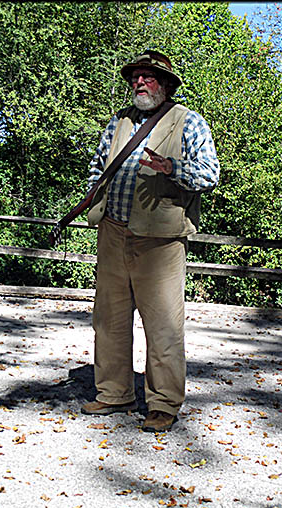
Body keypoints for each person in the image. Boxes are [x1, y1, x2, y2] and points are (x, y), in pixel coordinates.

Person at [80, 50, 220, 432]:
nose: (140, 83)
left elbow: (209, 176)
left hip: (160, 240)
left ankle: (163, 404)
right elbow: (98, 167)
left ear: (166, 85)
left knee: (163, 326)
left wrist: (171, 168)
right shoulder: (119, 122)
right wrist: (95, 196)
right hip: (113, 232)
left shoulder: (189, 122)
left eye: (149, 77)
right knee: (108, 320)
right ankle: (113, 392)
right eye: (136, 77)